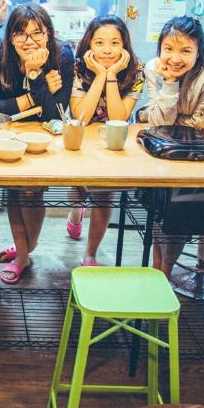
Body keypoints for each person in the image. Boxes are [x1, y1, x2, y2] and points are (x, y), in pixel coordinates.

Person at [0, 3, 74, 285]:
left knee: (33, 194)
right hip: (4, 139)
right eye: (21, 33)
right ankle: (23, 254)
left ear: (49, 33)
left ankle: (26, 248)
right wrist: (38, 85)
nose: (30, 40)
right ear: (10, 36)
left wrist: (33, 77)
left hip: (42, 139)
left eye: (38, 33)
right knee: (12, 193)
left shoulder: (63, 55)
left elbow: (55, 113)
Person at [141, 16, 204, 277]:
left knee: (178, 215)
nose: (175, 58)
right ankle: (157, 269)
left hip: (194, 157)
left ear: (199, 52)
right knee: (156, 210)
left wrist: (158, 115)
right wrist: (170, 83)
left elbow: (200, 125)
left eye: (185, 50)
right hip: (161, 153)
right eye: (169, 49)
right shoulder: (154, 69)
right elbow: (158, 122)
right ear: (160, 48)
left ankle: (165, 272)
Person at [66, 16, 145, 265]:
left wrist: (111, 76)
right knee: (77, 191)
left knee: (104, 195)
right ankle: (76, 213)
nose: (107, 50)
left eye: (115, 42)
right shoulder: (76, 67)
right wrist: (99, 74)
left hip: (115, 141)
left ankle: (90, 254)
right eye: (99, 42)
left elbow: (119, 116)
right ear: (89, 43)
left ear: (125, 45)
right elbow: (82, 117)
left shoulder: (137, 70)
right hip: (80, 138)